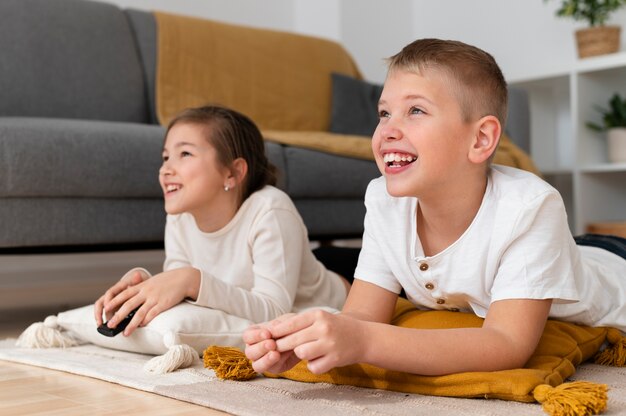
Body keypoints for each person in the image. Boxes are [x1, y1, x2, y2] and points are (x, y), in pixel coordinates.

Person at [243, 38, 626, 377]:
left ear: (480, 139)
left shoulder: (529, 206)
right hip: (564, 250)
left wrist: (364, 341)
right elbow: (362, 318)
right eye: (384, 113)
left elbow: (507, 343)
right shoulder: (383, 200)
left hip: (610, 262)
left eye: (416, 111)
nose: (388, 129)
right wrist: (306, 339)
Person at [94, 105, 349, 336]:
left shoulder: (271, 209)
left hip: (348, 281)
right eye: (165, 157)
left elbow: (275, 312)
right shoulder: (180, 217)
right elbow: (182, 290)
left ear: (232, 172)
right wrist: (148, 283)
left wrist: (193, 280)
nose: (165, 169)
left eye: (184, 154)